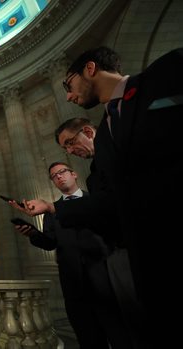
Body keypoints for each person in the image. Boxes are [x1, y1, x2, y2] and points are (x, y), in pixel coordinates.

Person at [60, 46, 183, 341]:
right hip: (153, 266)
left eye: (69, 85)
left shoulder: (165, 73)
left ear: (90, 69)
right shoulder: (103, 136)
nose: (68, 96)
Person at [12, 162, 132, 348]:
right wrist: (33, 234)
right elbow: (50, 243)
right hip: (73, 282)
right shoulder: (51, 212)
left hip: (105, 279)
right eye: (54, 176)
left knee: (119, 335)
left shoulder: (95, 200)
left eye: (62, 172)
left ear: (74, 174)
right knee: (88, 338)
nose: (59, 177)